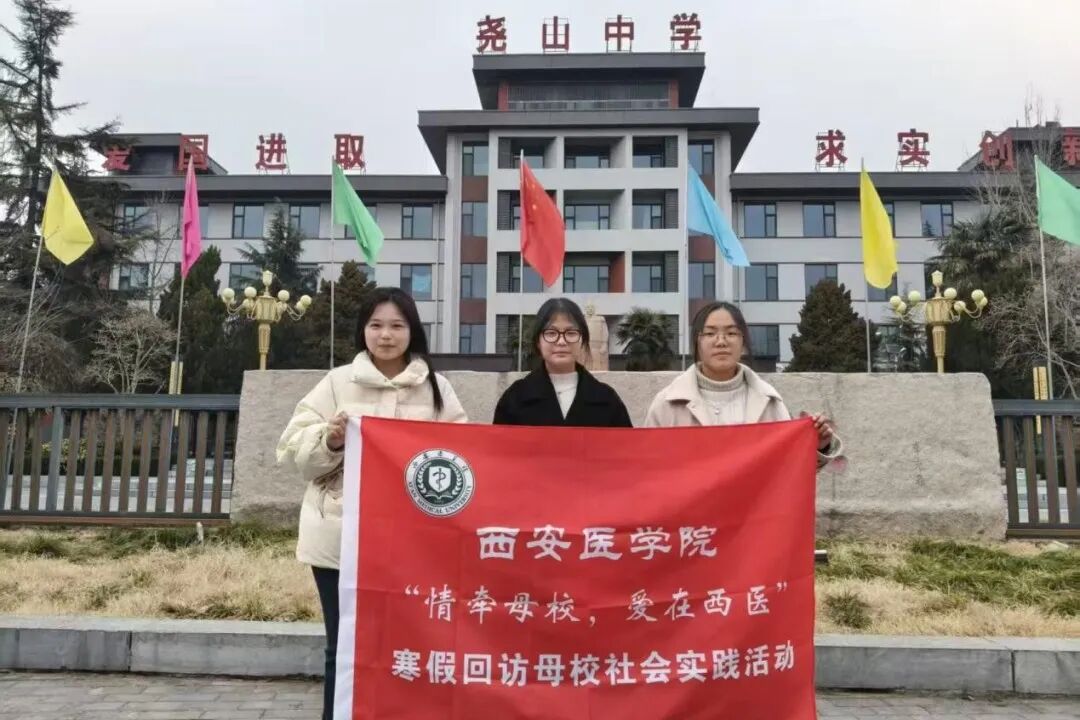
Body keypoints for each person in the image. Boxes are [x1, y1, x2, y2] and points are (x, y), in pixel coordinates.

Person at [276, 287, 467, 720]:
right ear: (363, 330)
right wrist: (330, 439)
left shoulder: (437, 388)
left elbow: (459, 457)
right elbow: (293, 452)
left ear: (412, 331)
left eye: (397, 325)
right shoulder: (337, 382)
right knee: (342, 644)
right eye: (376, 325)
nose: (386, 335)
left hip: (413, 544)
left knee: (407, 643)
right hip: (339, 537)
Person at [644, 301, 842, 465]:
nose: (721, 341)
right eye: (710, 333)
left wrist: (818, 445)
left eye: (731, 333)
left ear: (743, 342)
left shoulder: (769, 403)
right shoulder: (666, 404)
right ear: (697, 343)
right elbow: (650, 471)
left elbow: (787, 470)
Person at [494, 297, 632, 427]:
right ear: (538, 342)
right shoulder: (515, 399)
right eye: (551, 333)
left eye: (571, 333)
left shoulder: (607, 400)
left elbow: (626, 444)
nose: (561, 341)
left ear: (583, 340)